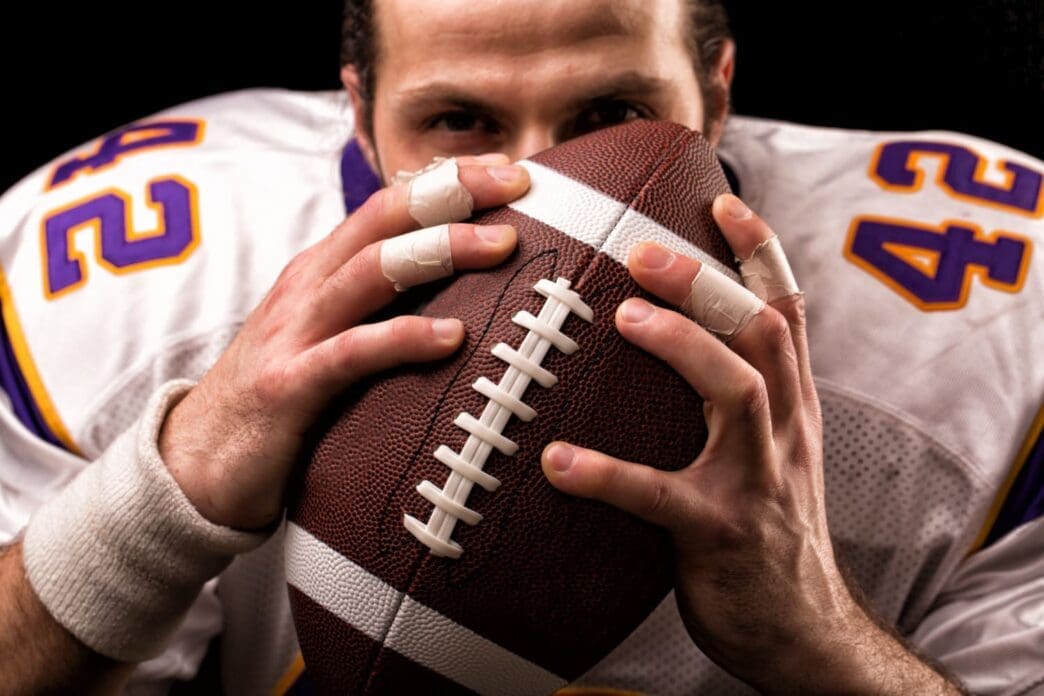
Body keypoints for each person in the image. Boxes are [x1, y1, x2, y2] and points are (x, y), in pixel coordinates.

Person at [0, 0, 1040, 693]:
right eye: (459, 121)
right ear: (356, 112)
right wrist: (166, 494)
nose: (554, 187)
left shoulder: (989, 319)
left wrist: (820, 641)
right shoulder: (130, 285)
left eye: (614, 113)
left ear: (718, 94)